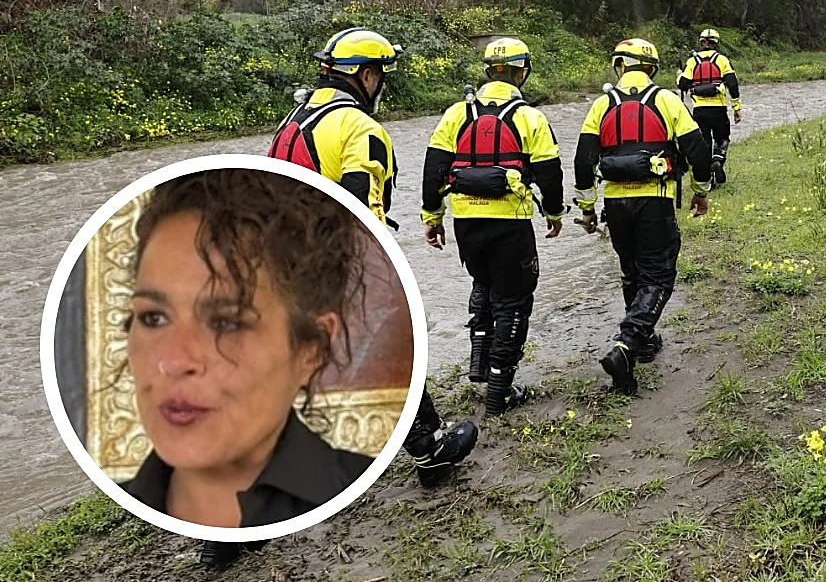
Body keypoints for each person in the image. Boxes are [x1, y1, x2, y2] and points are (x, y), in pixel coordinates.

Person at [263, 28, 478, 561]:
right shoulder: (359, 127)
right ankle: (428, 451)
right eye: (380, 74)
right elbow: (361, 208)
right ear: (366, 75)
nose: (380, 85)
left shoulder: (291, 123)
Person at [120, 170, 376, 526]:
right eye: (153, 318)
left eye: (226, 324)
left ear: (311, 349)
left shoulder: (356, 485)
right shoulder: (130, 499)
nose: (174, 361)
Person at [420, 37, 565, 418]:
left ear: (488, 71)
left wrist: (432, 217)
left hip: (466, 222)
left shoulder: (455, 114)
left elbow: (434, 170)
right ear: (521, 72)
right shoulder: (530, 117)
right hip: (510, 225)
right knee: (514, 300)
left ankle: (479, 366)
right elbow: (550, 174)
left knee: (482, 284)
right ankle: (499, 393)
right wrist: (554, 213)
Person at [573, 38, 713, 395]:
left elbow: (583, 161)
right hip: (655, 200)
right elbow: (697, 150)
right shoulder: (666, 100)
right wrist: (701, 190)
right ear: (651, 68)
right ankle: (627, 343)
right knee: (658, 275)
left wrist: (587, 209)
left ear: (620, 66)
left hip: (616, 205)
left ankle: (644, 341)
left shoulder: (601, 105)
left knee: (631, 270)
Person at [677, 28, 742, 184]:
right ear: (716, 43)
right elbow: (732, 84)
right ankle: (718, 160)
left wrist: (679, 74)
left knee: (705, 144)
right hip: (718, 110)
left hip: (699, 111)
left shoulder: (692, 62)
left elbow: (683, 84)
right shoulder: (722, 60)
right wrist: (736, 107)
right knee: (722, 139)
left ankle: (709, 180)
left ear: (701, 42)